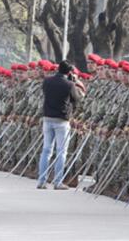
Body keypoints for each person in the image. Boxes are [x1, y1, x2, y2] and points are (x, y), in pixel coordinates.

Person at [37, 60, 83, 190]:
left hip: (47, 118)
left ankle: (42, 181)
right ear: (69, 72)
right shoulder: (69, 84)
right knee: (61, 152)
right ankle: (58, 182)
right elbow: (78, 98)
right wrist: (75, 82)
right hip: (61, 120)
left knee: (46, 150)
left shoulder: (47, 81)